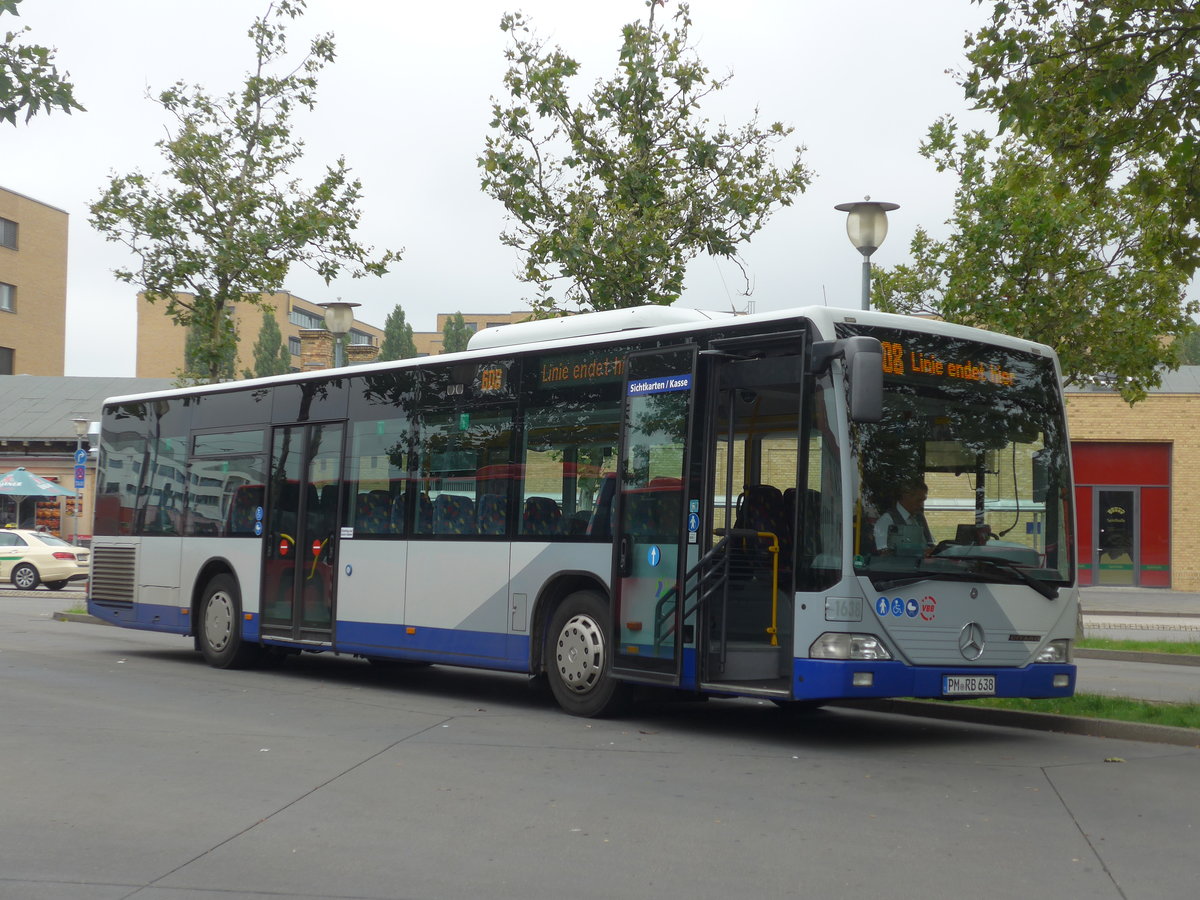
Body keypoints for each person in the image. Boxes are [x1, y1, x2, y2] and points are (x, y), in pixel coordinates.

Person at [873, 478, 933, 555]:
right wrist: (921, 552)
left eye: (923, 501)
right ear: (906, 496)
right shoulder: (887, 521)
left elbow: (929, 544)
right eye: (918, 500)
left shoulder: (919, 518)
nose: (921, 505)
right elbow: (884, 554)